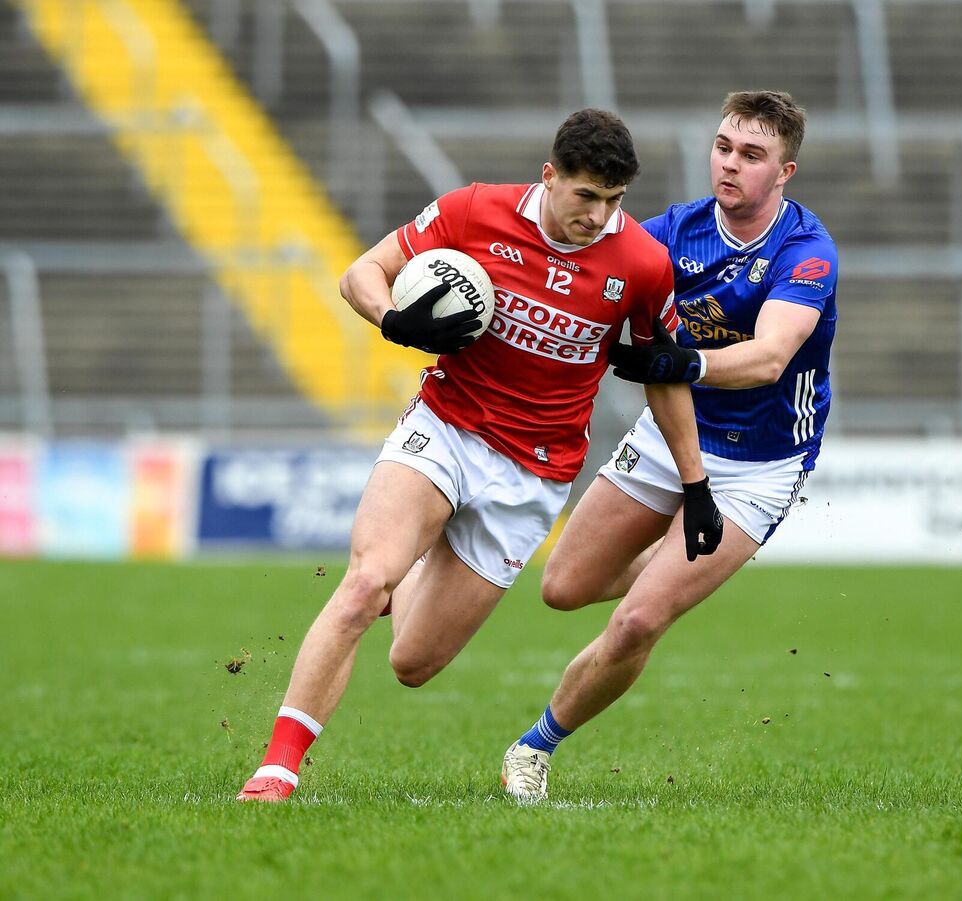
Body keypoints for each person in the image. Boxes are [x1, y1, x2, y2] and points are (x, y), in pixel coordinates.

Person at [236, 108, 723, 802]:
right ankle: (277, 768)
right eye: (586, 196)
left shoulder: (642, 264)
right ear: (550, 177)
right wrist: (394, 320)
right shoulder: (473, 212)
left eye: (613, 202)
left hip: (531, 475)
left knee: (412, 661)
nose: (599, 215)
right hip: (446, 428)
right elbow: (361, 273)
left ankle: (409, 575)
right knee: (362, 582)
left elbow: (662, 375)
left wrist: (696, 483)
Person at [500, 91, 837, 800]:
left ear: (785, 172)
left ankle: (534, 748)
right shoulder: (670, 233)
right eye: (723, 147)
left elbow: (772, 356)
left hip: (761, 464)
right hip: (670, 434)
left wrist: (682, 363)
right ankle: (670, 557)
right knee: (563, 587)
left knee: (640, 619)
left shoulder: (806, 252)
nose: (730, 164)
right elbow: (584, 271)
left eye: (752, 155)